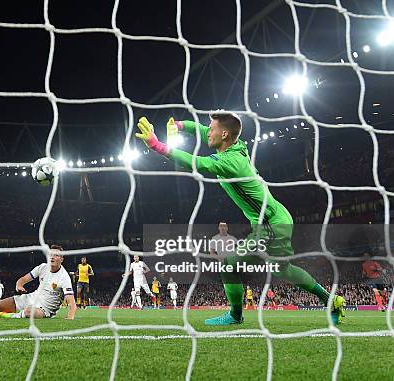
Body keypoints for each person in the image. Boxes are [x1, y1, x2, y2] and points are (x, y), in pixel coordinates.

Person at [136, 113, 338, 325]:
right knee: (283, 269)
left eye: (212, 129)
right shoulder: (235, 144)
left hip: (269, 225)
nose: (208, 132)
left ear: (224, 134)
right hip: (277, 217)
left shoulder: (230, 161)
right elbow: (203, 131)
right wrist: (180, 125)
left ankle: (235, 315)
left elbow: (196, 163)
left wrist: (156, 145)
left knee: (229, 265)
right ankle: (332, 300)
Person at [0, 245, 76, 319]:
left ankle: (13, 315)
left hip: (46, 308)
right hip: (32, 298)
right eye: (50, 255)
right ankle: (22, 312)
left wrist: (70, 317)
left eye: (56, 255)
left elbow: (72, 303)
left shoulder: (64, 277)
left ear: (61, 259)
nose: (52, 257)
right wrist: (19, 286)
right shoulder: (42, 267)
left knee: (28, 312)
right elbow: (23, 279)